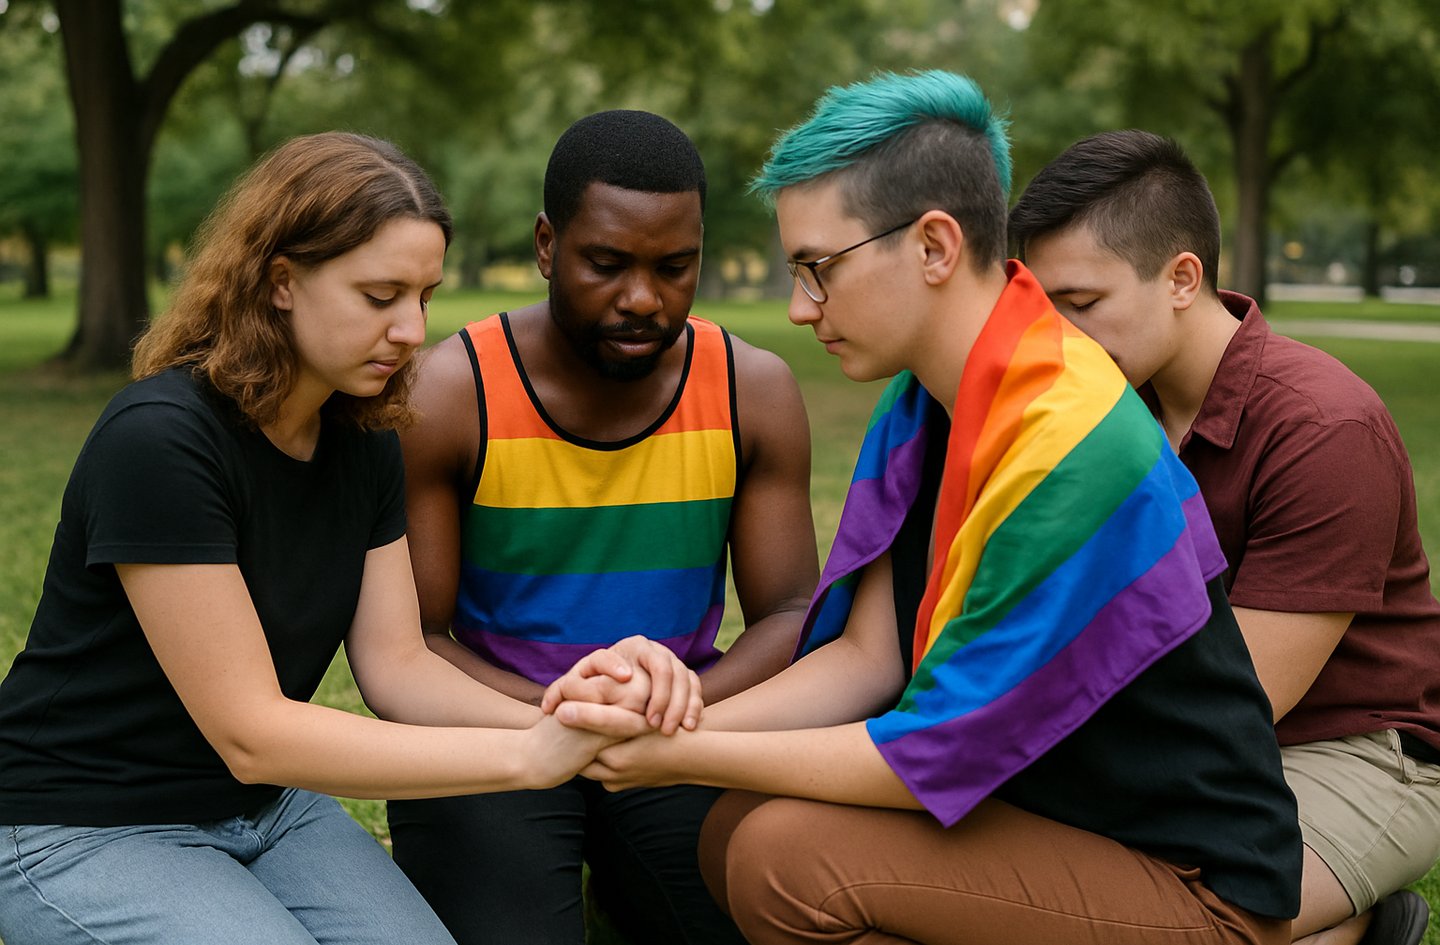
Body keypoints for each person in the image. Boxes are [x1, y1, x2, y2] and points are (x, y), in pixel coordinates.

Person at [553, 70, 1304, 945]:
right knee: (729, 823)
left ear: (935, 246)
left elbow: (932, 755)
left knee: (784, 854)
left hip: (1196, 888)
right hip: (1051, 825)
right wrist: (671, 725)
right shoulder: (924, 401)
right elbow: (871, 659)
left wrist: (675, 753)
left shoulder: (1071, 438)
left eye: (818, 270)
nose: (800, 308)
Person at [0, 131, 694, 945]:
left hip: (266, 810)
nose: (410, 330)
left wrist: (566, 710)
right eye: (379, 296)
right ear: (281, 282)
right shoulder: (160, 440)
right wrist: (531, 757)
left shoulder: (363, 436)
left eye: (424, 297)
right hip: (79, 822)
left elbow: (399, 666)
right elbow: (252, 732)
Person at [386, 109, 818, 945]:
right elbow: (418, 638)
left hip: (680, 732)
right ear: (548, 246)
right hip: (487, 733)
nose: (643, 299)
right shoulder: (450, 394)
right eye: (607, 264)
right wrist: (560, 718)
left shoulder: (749, 390)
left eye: (675, 267)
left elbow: (790, 615)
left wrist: (672, 715)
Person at [1009, 129, 1440, 945]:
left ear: (1181, 278)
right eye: (1042, 305)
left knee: (1185, 918)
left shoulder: (1324, 427)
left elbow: (1237, 704)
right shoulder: (1103, 406)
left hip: (1357, 750)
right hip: (1178, 735)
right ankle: (1343, 918)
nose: (1056, 336)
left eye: (1082, 303)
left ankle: (1350, 908)